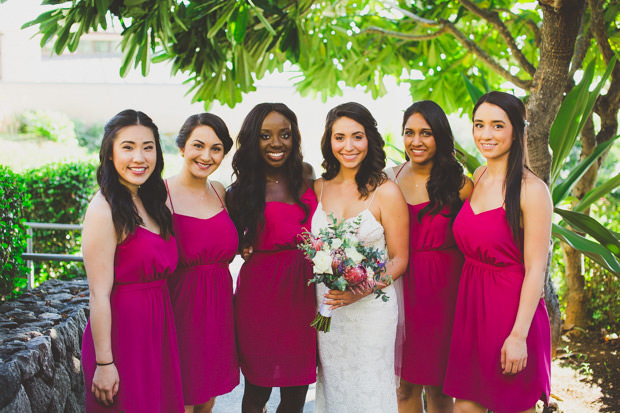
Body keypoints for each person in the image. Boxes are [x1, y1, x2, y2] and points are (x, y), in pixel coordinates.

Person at [444, 91, 552, 413]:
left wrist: (518, 336)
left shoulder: (533, 190)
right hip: (471, 307)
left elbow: (536, 269)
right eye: (479, 125)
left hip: (511, 312)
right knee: (464, 406)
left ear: (517, 130)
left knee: (513, 406)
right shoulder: (478, 175)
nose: (485, 134)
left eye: (497, 126)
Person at [81, 109, 183, 412]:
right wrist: (105, 363)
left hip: (158, 332)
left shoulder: (151, 200)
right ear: (110, 153)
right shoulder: (103, 209)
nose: (139, 157)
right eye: (128, 147)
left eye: (147, 147)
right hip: (122, 339)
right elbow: (98, 295)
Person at [312, 102, 409, 413]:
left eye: (357, 136)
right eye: (339, 137)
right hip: (329, 311)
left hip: (370, 313)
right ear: (329, 141)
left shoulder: (386, 192)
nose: (348, 146)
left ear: (370, 140)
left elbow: (399, 259)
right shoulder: (318, 187)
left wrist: (361, 290)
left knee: (369, 389)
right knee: (335, 385)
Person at [227, 103, 317, 413]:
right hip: (260, 297)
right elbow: (230, 241)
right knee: (257, 390)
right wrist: (243, 244)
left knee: (296, 393)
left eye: (285, 134)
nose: (276, 143)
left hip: (304, 297)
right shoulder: (239, 192)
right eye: (266, 136)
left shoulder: (307, 178)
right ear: (253, 139)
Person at [386, 100, 473, 413]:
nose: (416, 141)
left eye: (426, 133)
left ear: (440, 137)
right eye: (409, 132)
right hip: (399, 287)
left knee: (439, 388)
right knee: (403, 387)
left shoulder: (462, 186)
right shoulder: (388, 179)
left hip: (443, 291)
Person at [165, 113, 238, 413]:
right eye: (198, 145)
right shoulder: (159, 195)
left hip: (219, 313)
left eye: (216, 148)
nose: (206, 156)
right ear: (182, 147)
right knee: (181, 401)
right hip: (180, 312)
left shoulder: (220, 192)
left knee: (208, 401)